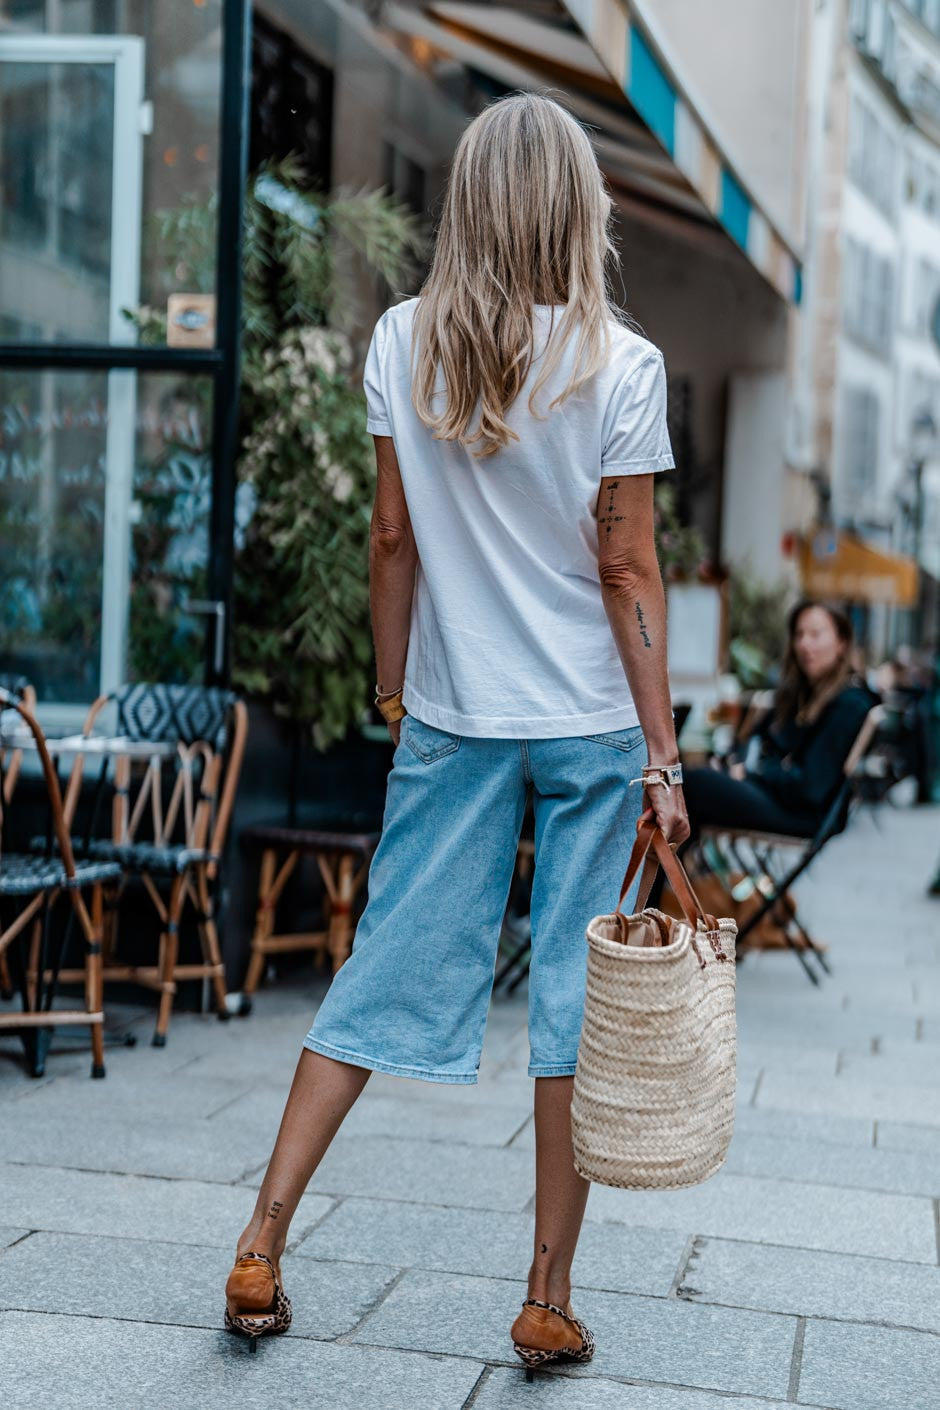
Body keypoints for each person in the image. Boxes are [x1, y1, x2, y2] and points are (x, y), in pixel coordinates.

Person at [223, 92, 689, 1375]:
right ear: (575, 207)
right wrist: (663, 756)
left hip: (452, 713)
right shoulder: (622, 363)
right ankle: (546, 1292)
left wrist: (394, 690)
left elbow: (389, 538)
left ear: (470, 200)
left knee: (382, 966)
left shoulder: (399, 342)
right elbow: (629, 570)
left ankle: (263, 1237)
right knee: (570, 1012)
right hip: (592, 726)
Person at [683, 601, 878, 839]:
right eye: (799, 634)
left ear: (842, 643)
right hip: (773, 794)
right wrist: (732, 765)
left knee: (689, 783)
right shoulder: (800, 694)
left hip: (804, 814)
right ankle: (678, 874)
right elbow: (762, 741)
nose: (804, 644)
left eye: (816, 634)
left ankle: (662, 875)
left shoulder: (850, 703)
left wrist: (752, 772)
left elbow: (811, 787)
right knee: (687, 786)